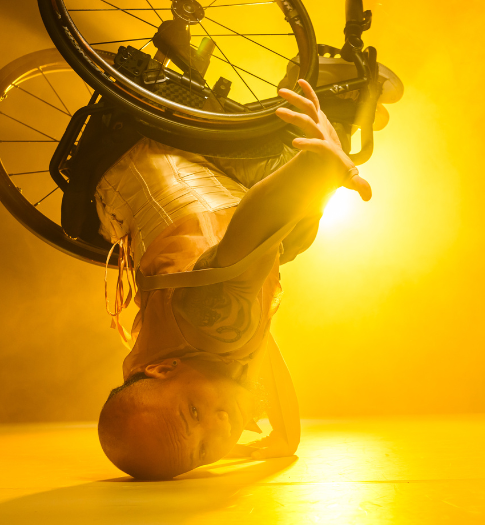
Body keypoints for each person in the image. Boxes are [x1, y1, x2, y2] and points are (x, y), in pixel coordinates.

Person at [94, 80, 373, 480]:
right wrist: (286, 434)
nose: (220, 424)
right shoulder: (162, 372)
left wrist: (324, 168)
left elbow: (246, 237)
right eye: (204, 450)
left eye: (194, 414)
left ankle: (337, 83)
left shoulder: (214, 324)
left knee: (302, 212)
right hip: (117, 178)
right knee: (290, 240)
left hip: (162, 147)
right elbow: (259, 352)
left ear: (161, 371)